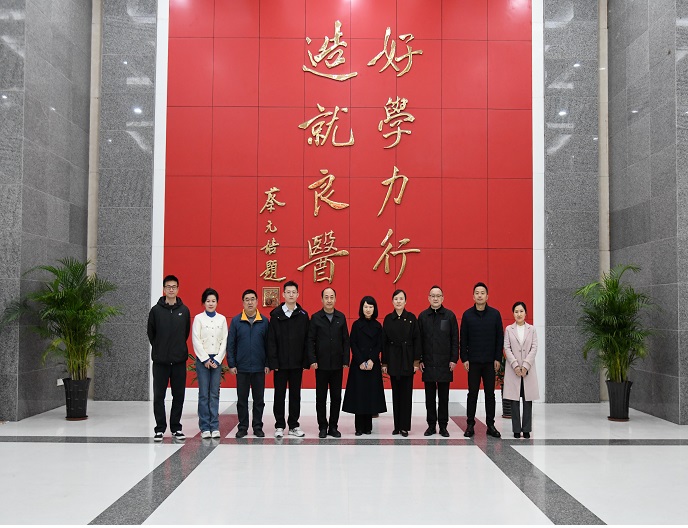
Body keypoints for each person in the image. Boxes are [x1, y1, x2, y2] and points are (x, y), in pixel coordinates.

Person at [147, 274, 191, 441]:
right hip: (161, 362)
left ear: (178, 289)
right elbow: (151, 333)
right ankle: (160, 428)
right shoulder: (156, 311)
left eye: (174, 287)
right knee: (159, 396)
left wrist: (176, 349)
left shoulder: (184, 310)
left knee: (178, 396)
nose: (171, 289)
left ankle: (176, 427)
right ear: (164, 289)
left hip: (179, 361)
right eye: (168, 287)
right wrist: (160, 349)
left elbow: (185, 333)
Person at [460, 282, 504, 438]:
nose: (480, 295)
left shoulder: (495, 314)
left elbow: (500, 338)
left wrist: (498, 358)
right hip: (473, 362)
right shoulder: (467, 315)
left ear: (487, 296)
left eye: (482, 293)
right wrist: (464, 358)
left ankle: (490, 425)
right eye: (477, 293)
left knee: (490, 394)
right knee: (472, 394)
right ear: (473, 296)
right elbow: (463, 338)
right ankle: (470, 424)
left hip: (490, 362)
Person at [267, 280, 310, 438]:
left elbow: (307, 340)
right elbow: (271, 341)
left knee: (295, 395)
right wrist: (273, 362)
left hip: (297, 363)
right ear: (283, 294)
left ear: (298, 294)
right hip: (280, 364)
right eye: (288, 292)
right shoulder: (276, 315)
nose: (291, 295)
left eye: (294, 292)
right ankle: (279, 425)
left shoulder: (303, 315)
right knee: (279, 395)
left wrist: (305, 361)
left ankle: (293, 425)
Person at [307, 287, 350, 438]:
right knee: (321, 397)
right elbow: (310, 340)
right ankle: (322, 426)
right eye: (326, 297)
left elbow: (346, 340)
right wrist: (312, 359)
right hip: (321, 364)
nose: (329, 300)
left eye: (332, 297)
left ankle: (333, 426)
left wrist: (345, 360)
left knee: (336, 397)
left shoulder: (341, 317)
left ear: (335, 299)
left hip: (337, 364)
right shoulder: (316, 318)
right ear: (322, 299)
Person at [227, 289, 270, 438]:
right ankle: (243, 427)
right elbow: (231, 344)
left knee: (259, 400)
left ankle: (257, 427)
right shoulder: (236, 321)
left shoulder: (264, 321)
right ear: (243, 302)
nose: (250, 302)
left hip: (259, 367)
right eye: (247, 299)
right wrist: (232, 364)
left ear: (257, 302)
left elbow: (268, 345)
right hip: (242, 368)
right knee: (242, 400)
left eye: (252, 299)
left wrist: (267, 363)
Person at [342, 296, 387, 435]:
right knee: (359, 395)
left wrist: (372, 360)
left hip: (373, 365)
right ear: (362, 308)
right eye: (366, 306)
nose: (368, 309)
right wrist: (361, 361)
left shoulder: (378, 326)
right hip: (358, 365)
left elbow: (379, 344)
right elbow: (353, 343)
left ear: (374, 309)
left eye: (371, 307)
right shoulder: (356, 325)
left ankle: (368, 427)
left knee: (370, 395)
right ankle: (359, 427)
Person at [418, 285, 459, 437]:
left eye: (438, 296)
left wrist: (454, 359)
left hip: (444, 363)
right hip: (428, 363)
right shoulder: (423, 317)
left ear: (443, 298)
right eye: (433, 296)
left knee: (443, 397)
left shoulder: (449, 316)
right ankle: (431, 425)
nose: (435, 298)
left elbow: (455, 339)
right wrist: (420, 359)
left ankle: (443, 426)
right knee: (429, 397)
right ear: (428, 298)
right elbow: (419, 340)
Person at [382, 289, 420, 437]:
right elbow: (384, 343)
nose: (398, 301)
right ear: (392, 301)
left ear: (405, 301)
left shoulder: (411, 318)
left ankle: (404, 427)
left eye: (401, 299)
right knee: (396, 394)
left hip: (407, 359)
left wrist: (416, 361)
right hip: (393, 359)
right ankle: (396, 426)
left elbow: (417, 340)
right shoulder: (388, 319)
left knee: (406, 394)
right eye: (396, 299)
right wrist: (384, 363)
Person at [191, 287, 228, 439]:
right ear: (203, 303)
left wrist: (218, 359)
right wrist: (205, 359)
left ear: (217, 302)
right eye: (208, 301)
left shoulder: (222, 319)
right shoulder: (198, 319)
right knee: (203, 394)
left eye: (213, 301)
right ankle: (205, 427)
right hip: (203, 360)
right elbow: (196, 339)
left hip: (217, 360)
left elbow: (224, 340)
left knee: (214, 393)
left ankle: (215, 426)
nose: (211, 303)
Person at [503, 301, 539, 439]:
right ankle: (516, 430)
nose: (519, 314)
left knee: (527, 400)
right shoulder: (509, 329)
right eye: (516, 311)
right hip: (514, 370)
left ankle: (527, 429)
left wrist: (525, 365)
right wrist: (515, 365)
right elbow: (507, 348)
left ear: (526, 313)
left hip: (527, 370)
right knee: (514, 401)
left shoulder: (532, 329)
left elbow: (534, 347)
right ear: (513, 314)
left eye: (521, 311)